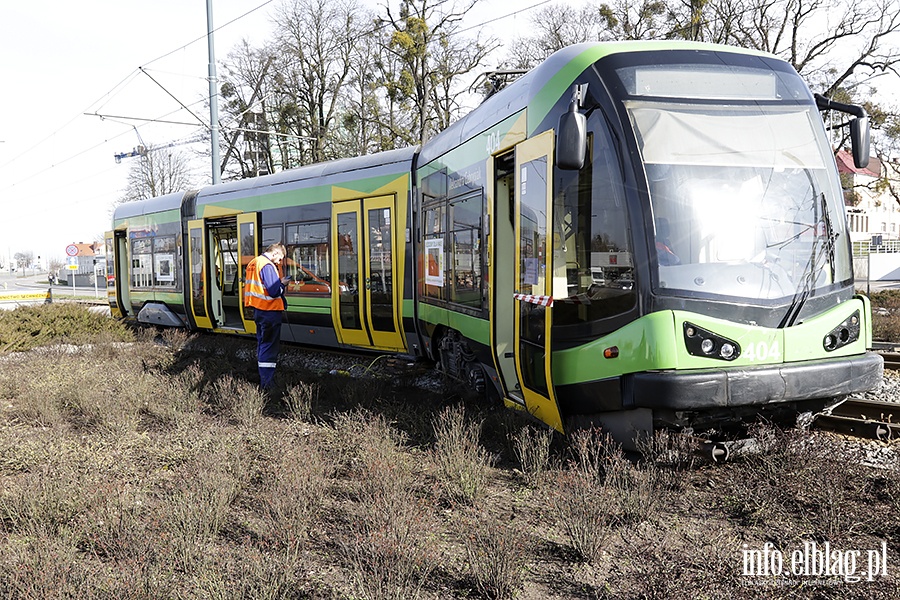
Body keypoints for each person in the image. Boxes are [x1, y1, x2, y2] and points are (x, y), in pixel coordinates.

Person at [244, 243, 291, 390]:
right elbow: (273, 291)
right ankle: (267, 384)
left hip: (259, 311)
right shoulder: (267, 265)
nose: (279, 262)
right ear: (275, 253)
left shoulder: (254, 262)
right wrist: (283, 284)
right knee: (269, 347)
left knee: (263, 345)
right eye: (280, 259)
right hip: (270, 311)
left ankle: (264, 378)